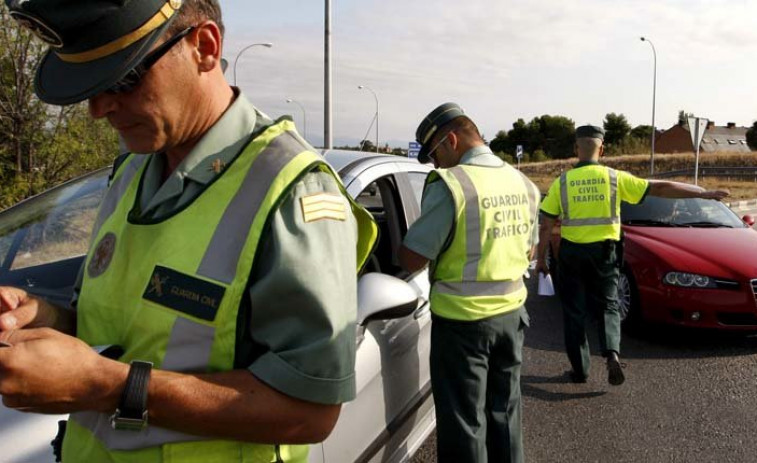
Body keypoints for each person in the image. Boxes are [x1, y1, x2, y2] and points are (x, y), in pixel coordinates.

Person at [0, 1, 377, 462]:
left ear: (204, 46)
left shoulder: (292, 193)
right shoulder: (131, 172)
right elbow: (117, 327)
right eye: (92, 87)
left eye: (123, 80)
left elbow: (310, 412)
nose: (100, 109)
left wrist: (107, 386)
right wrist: (43, 316)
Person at [399, 103, 540, 463]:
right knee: (506, 413)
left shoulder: (452, 184)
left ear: (450, 140)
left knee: (464, 424)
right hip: (512, 318)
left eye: (434, 154)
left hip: (463, 326)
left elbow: (414, 257)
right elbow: (529, 250)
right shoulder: (522, 183)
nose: (434, 164)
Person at [535, 125, 728, 386]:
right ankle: (612, 353)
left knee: (574, 312)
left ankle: (580, 370)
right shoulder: (615, 178)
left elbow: (546, 224)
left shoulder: (563, 182)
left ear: (575, 148)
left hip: (572, 255)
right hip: (605, 253)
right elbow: (660, 188)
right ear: (602, 149)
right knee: (608, 305)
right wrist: (703, 194)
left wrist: (540, 260)